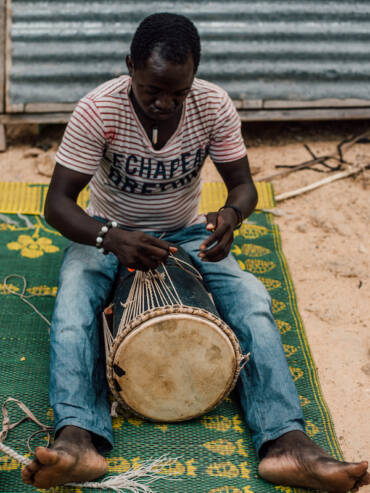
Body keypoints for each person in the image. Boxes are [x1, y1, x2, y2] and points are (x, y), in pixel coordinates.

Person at [21, 13, 369, 492]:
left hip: (185, 232)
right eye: (152, 91)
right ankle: (79, 436)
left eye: (177, 93)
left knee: (251, 299)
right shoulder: (97, 110)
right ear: (130, 67)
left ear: (194, 76)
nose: (165, 103)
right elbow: (57, 205)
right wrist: (110, 237)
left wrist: (230, 216)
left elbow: (244, 186)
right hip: (109, 231)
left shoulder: (212, 105)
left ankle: (286, 442)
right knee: (73, 307)